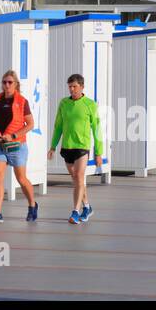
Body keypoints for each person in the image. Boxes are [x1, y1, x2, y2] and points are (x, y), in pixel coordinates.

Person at [48, 73, 103, 225]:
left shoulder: (90, 104)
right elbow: (58, 126)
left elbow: (97, 129)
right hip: (67, 147)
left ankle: (75, 212)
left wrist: (99, 152)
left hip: (82, 147)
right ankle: (87, 207)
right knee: (77, 180)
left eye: (75, 86)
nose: (72, 89)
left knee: (79, 177)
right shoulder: (64, 103)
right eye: (70, 87)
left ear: (82, 87)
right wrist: (52, 146)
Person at [0, 71, 37, 223]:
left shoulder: (22, 101)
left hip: (17, 145)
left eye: (10, 82)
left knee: (21, 178)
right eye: (4, 82)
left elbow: (30, 124)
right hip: (0, 146)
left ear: (16, 84)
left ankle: (32, 205)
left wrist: (13, 136)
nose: (6, 85)